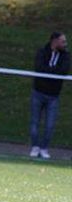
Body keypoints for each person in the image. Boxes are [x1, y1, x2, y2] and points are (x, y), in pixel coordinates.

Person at [30, 31, 69, 159]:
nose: (65, 44)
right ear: (55, 41)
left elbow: (63, 71)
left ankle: (44, 148)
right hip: (38, 93)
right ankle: (35, 146)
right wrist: (52, 72)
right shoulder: (42, 52)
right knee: (35, 122)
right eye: (63, 41)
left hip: (53, 96)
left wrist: (51, 72)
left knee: (50, 125)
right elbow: (39, 67)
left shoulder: (66, 56)